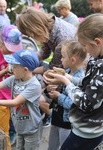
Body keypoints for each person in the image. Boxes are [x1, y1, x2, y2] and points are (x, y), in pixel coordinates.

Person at [43, 13, 103, 150]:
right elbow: (89, 83)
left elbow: (87, 103)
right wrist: (69, 78)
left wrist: (66, 82)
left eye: (85, 46)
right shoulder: (96, 59)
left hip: (88, 130)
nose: (85, 51)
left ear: (97, 42)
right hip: (84, 126)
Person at [16, 7, 76, 126]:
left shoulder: (62, 39)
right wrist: (26, 60)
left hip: (74, 70)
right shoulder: (49, 26)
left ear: (35, 28)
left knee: (48, 96)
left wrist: (32, 77)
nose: (32, 37)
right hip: (62, 66)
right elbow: (44, 52)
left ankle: (55, 117)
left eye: (30, 34)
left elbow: (54, 70)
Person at [0, 49, 42, 150]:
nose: (11, 68)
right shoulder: (14, 79)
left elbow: (15, 102)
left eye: (14, 66)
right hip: (19, 126)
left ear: (25, 69)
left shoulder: (34, 86)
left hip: (32, 129)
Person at [44, 40, 87, 150]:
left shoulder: (80, 79)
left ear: (72, 60)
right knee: (52, 146)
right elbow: (59, 91)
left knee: (64, 146)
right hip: (57, 117)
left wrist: (58, 97)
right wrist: (50, 90)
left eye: (63, 57)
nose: (61, 59)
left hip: (67, 122)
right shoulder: (67, 71)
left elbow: (74, 103)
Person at [0, 25, 23, 149]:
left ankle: (12, 136)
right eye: (9, 47)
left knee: (16, 125)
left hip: (16, 96)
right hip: (0, 98)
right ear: (2, 41)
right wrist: (5, 71)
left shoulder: (16, 54)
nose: (11, 50)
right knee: (3, 130)